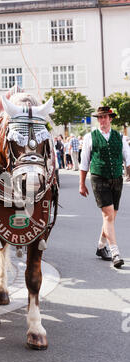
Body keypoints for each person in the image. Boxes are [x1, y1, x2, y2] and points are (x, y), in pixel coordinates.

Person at [79, 106, 130, 268]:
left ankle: (101, 247)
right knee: (108, 215)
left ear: (110, 119)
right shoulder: (90, 137)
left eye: (105, 117)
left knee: (111, 217)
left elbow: (128, 158)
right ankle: (115, 252)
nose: (102, 120)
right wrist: (82, 183)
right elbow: (84, 161)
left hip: (116, 178)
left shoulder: (119, 137)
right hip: (98, 177)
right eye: (99, 117)